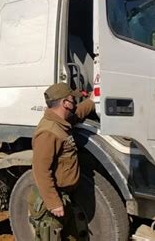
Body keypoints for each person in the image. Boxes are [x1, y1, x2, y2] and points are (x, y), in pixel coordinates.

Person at [30, 83, 95, 240]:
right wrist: (54, 202)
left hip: (64, 196)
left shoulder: (60, 122)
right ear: (65, 103)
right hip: (51, 204)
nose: (74, 103)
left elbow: (77, 114)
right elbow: (40, 170)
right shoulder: (48, 132)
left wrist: (92, 101)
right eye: (73, 99)